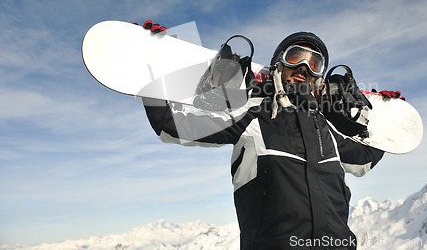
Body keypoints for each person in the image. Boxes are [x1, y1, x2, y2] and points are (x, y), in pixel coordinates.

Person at [142, 31, 385, 250]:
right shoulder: (251, 114)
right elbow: (173, 125)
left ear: (319, 79)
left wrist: (386, 116)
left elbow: (365, 159)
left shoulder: (327, 130)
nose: (304, 67)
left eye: (314, 64)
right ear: (278, 65)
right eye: (295, 57)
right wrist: (153, 66)